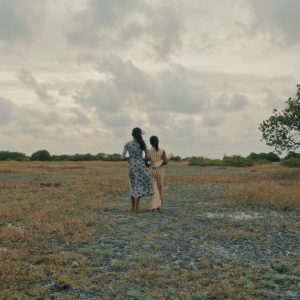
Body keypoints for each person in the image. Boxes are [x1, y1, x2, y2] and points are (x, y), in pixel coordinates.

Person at [122, 127, 153, 213]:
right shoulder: (142, 144)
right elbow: (148, 157)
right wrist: (143, 160)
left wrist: (130, 158)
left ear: (132, 134)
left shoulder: (127, 144)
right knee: (138, 186)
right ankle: (135, 209)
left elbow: (122, 157)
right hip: (140, 166)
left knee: (133, 186)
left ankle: (133, 208)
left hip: (131, 166)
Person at [149, 135, 168, 215]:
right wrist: (160, 162)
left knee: (155, 190)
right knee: (160, 189)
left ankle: (156, 206)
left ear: (150, 143)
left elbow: (147, 162)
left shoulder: (148, 151)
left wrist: (151, 163)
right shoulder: (162, 150)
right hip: (160, 171)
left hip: (152, 171)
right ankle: (157, 207)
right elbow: (165, 162)